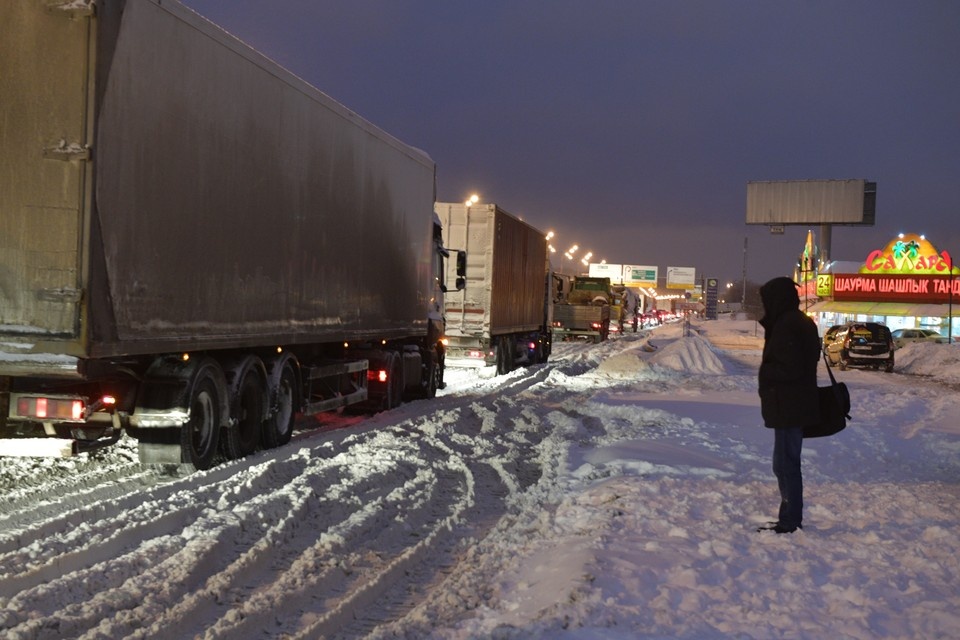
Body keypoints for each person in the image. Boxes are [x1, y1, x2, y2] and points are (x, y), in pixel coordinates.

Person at [757, 277, 821, 534]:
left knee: (786, 464)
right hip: (790, 404)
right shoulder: (794, 322)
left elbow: (792, 367)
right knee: (783, 463)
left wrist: (768, 372)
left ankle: (790, 520)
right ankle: (789, 517)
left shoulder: (789, 324)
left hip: (790, 405)